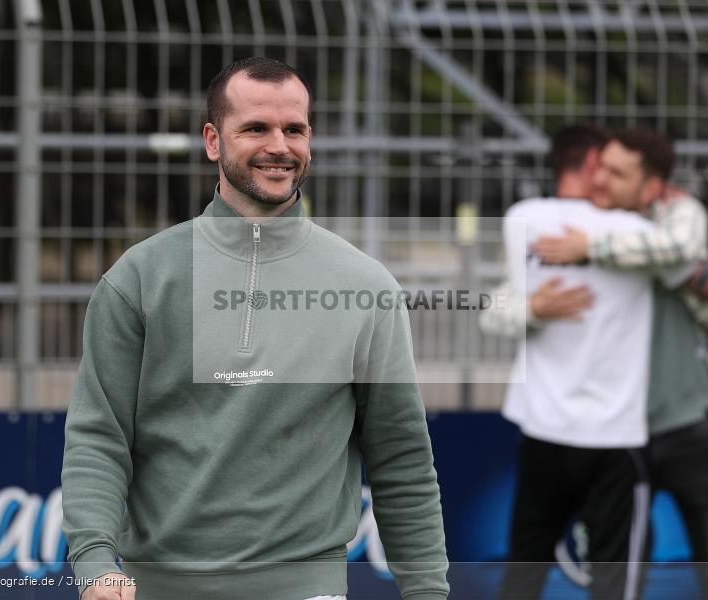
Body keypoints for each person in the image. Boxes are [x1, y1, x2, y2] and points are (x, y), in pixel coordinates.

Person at [61, 57, 449, 600]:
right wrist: (96, 561)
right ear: (213, 141)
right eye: (256, 128)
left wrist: (427, 591)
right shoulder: (140, 277)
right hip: (158, 586)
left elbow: (401, 455)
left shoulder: (366, 285)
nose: (280, 146)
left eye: (295, 129)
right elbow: (99, 436)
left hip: (306, 583)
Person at [532, 127, 708, 600]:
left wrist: (600, 249)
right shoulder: (579, 225)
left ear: (653, 187)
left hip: (693, 425)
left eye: (617, 174)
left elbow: (682, 254)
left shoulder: (675, 216)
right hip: (618, 433)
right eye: (600, 169)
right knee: (616, 582)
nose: (602, 181)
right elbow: (703, 271)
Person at [481, 124, 688, 600]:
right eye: (611, 166)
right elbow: (691, 264)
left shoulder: (523, 220)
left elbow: (495, 312)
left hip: (543, 429)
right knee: (614, 583)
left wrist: (531, 308)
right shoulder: (639, 232)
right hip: (614, 435)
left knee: (524, 572)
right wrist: (666, 201)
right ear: (594, 164)